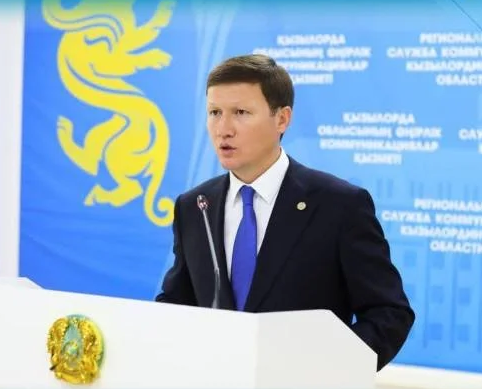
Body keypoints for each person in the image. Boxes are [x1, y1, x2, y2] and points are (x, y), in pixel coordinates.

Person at [155, 54, 414, 370]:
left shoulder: (339, 205)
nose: (223, 129)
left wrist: (324, 371)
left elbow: (389, 314)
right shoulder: (195, 206)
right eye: (215, 112)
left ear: (282, 119)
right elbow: (176, 306)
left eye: (241, 113)